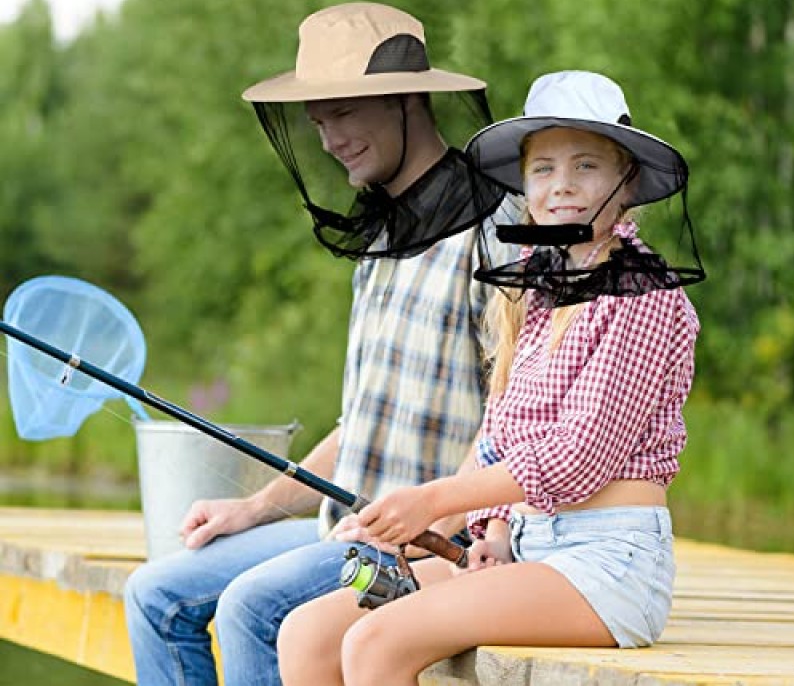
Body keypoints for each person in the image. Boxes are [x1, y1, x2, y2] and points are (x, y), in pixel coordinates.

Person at [123, 2, 511, 686]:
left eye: (344, 112)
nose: (329, 139)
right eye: (317, 120)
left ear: (407, 99)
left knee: (251, 608)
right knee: (153, 594)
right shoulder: (381, 238)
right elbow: (359, 428)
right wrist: (255, 506)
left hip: (420, 552)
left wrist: (440, 520)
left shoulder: (494, 232)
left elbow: (513, 421)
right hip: (340, 531)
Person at [276, 70, 702, 686]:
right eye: (544, 169)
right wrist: (494, 529)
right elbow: (503, 433)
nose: (563, 187)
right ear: (524, 185)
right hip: (528, 546)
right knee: (310, 634)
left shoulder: (643, 295)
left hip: (608, 564)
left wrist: (432, 500)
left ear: (626, 181)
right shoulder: (540, 291)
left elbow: (577, 457)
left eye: (586, 166)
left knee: (378, 641)